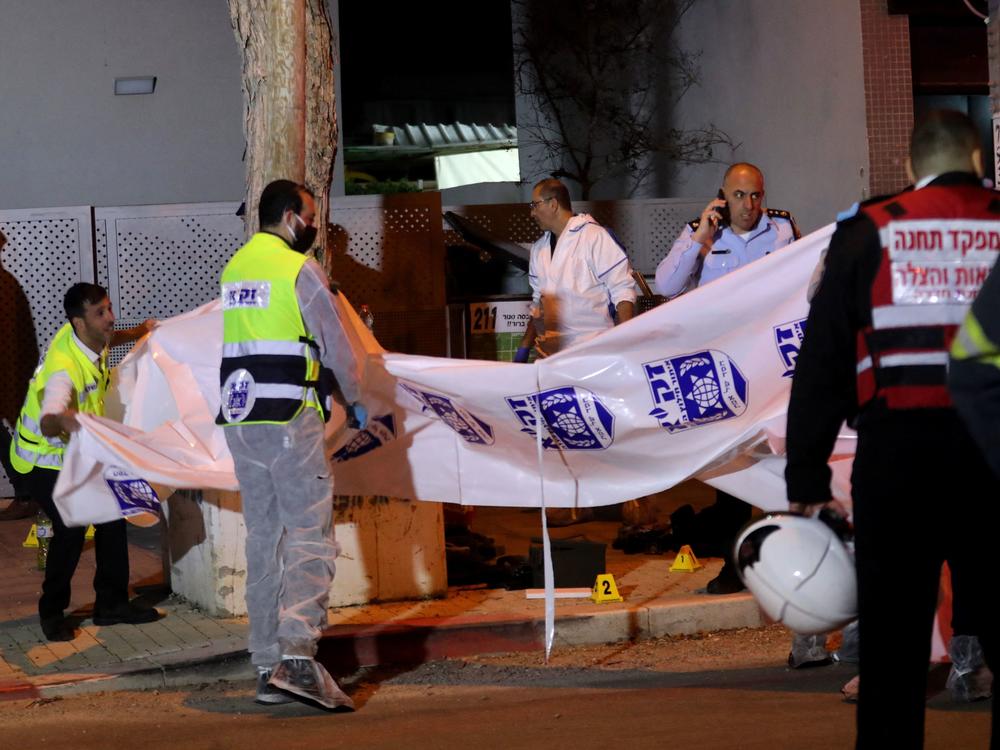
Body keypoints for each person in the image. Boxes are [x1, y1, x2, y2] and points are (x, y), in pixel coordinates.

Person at [786, 109, 999, 747]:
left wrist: (807, 476)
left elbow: (821, 361)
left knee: (892, 650)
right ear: (979, 163)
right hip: (992, 454)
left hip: (898, 460)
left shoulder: (870, 231)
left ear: (911, 168)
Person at [218, 179, 367, 711]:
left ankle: (265, 665)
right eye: (310, 216)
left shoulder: (234, 269)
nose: (315, 226)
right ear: (288, 217)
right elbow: (335, 343)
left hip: (240, 419)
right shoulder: (298, 270)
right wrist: (355, 396)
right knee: (309, 533)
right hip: (288, 420)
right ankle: (298, 657)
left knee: (263, 539)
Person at [654, 164, 801, 598]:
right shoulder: (703, 232)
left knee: (781, 463)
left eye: (755, 195)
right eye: (739, 196)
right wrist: (699, 236)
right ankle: (735, 565)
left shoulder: (783, 228)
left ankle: (792, 561)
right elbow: (665, 285)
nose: (749, 206)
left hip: (773, 370)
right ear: (723, 195)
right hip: (725, 372)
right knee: (732, 472)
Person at [8, 283, 159, 642]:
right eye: (101, 313)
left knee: (113, 516)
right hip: (42, 460)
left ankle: (111, 605)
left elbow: (110, 336)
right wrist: (63, 420)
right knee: (72, 527)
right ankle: (52, 611)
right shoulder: (63, 368)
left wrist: (138, 333)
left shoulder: (88, 337)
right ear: (78, 322)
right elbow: (50, 414)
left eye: (108, 308)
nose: (110, 318)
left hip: (81, 451)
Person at [514, 177, 637, 362]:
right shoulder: (539, 249)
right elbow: (539, 301)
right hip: (551, 357)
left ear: (553, 204)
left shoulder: (594, 237)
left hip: (593, 353)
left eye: (535, 205)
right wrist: (524, 346)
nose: (532, 213)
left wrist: (626, 344)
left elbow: (623, 291)